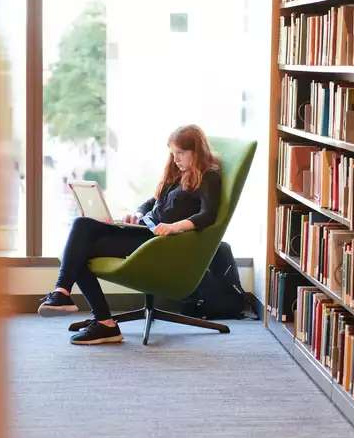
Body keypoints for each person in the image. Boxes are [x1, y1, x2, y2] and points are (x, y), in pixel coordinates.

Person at [38, 124, 221, 345]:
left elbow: (208, 215)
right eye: (173, 154)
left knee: (79, 252)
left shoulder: (209, 176)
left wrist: (174, 227)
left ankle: (103, 322)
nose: (176, 159)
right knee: (82, 225)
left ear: (196, 151)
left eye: (180, 153)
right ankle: (62, 292)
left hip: (156, 242)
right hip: (143, 228)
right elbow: (152, 202)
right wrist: (136, 214)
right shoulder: (178, 174)